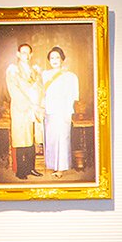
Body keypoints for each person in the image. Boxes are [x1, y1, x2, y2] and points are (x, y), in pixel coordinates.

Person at [5, 42, 42, 179]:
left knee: (32, 138)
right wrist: (28, 104)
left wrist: (37, 103)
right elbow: (13, 90)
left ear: (31, 55)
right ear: (18, 54)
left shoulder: (35, 71)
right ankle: (21, 170)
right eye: (23, 52)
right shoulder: (13, 70)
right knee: (21, 138)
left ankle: (31, 168)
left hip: (33, 108)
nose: (26, 55)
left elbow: (40, 88)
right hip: (21, 108)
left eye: (28, 53)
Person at [40, 46, 79, 174]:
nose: (55, 60)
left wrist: (68, 112)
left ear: (62, 59)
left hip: (63, 111)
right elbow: (41, 93)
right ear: (49, 60)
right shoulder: (44, 75)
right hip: (49, 110)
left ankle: (61, 168)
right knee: (51, 138)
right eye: (52, 58)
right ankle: (52, 165)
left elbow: (73, 96)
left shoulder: (70, 76)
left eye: (57, 57)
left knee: (62, 139)